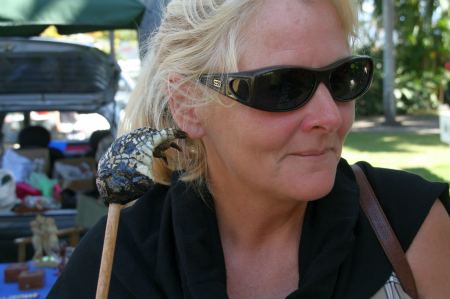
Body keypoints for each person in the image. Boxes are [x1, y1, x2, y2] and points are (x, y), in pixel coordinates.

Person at [48, 0, 450, 298]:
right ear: (188, 103)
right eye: (283, 86)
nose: (330, 117)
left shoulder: (408, 227)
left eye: (344, 77)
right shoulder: (122, 256)